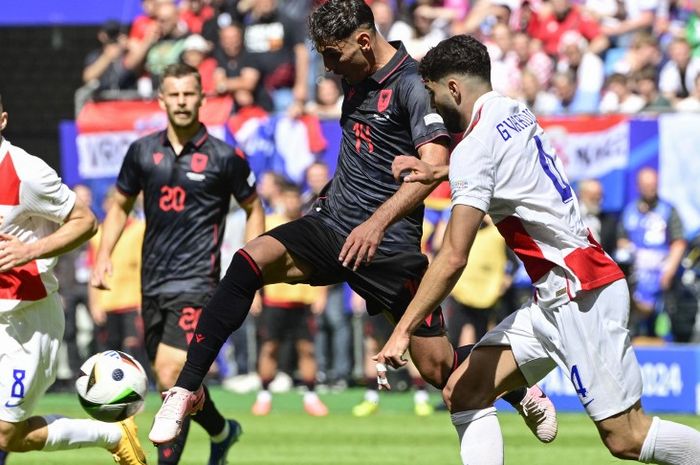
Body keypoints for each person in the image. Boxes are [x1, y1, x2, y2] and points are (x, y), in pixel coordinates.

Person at [149, 0, 557, 447]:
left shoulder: (413, 85)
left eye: (332, 54)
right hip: (331, 225)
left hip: (388, 247)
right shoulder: (353, 76)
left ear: (363, 41)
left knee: (440, 370)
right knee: (248, 261)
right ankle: (185, 389)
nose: (326, 66)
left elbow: (433, 167)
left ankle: (514, 385)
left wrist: (376, 224)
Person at [376, 34, 700, 465]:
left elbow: (454, 256)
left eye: (433, 94)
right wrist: (439, 168)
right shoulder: (514, 110)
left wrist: (401, 331)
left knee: (627, 437)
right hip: (557, 295)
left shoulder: (474, 147)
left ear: (453, 89)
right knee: (465, 390)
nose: (432, 107)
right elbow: (493, 161)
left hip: (579, 294)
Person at [91, 63, 264, 465]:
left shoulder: (226, 157)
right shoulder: (141, 151)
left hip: (199, 283)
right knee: (181, 383)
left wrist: (253, 274)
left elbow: (254, 209)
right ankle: (223, 431)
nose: (183, 102)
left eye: (190, 94)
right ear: (162, 99)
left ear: (202, 99)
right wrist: (103, 255)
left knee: (172, 377)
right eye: (175, 94)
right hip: (152, 284)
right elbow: (119, 205)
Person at [0, 93, 146, 465]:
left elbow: (85, 221)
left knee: (7, 434)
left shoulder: (26, 173)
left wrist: (30, 251)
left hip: (25, 323)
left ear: (2, 121)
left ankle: (112, 433)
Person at [251, 183, 329, 416]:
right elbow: (256, 261)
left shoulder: (310, 224)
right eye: (289, 198)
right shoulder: (270, 224)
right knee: (270, 347)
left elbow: (323, 260)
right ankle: (264, 395)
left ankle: (311, 396)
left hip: (303, 300)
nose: (293, 203)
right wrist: (254, 293)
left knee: (307, 349)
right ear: (282, 199)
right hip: (276, 300)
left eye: (296, 198)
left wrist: (321, 293)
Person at [617, 167, 686, 339]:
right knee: (634, 323)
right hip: (637, 278)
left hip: (662, 278)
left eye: (653, 185)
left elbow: (678, 242)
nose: (650, 189)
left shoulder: (668, 210)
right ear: (639, 186)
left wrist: (668, 271)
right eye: (646, 185)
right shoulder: (629, 211)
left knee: (661, 324)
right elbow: (622, 240)